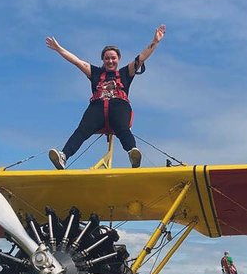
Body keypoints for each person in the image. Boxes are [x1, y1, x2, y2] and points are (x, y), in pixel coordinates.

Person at [46, 25, 165, 170]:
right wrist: (59, 49)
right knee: (82, 130)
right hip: (98, 108)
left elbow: (141, 57)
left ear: (118, 59)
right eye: (107, 58)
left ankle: (133, 152)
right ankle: (63, 156)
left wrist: (155, 41)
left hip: (118, 106)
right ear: (103, 60)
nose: (110, 61)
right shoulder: (95, 73)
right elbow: (77, 61)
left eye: (113, 58)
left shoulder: (125, 73)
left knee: (123, 129)